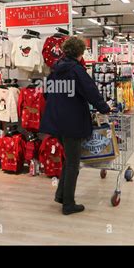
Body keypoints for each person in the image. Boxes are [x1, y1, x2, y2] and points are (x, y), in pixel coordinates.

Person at [40, 37, 111, 215]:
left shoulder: (55, 70)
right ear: (80, 53)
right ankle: (68, 204)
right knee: (73, 163)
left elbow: (46, 93)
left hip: (56, 121)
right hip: (71, 122)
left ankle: (62, 195)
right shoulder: (76, 71)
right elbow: (91, 91)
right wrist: (104, 108)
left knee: (68, 160)